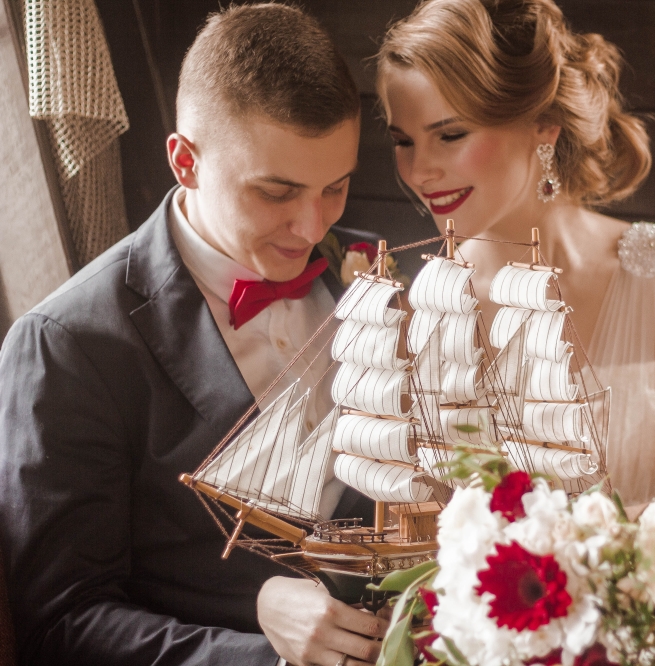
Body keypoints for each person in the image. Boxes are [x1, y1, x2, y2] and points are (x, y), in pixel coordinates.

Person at [0, 5, 388, 665]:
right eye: (276, 192)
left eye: (335, 187)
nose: (311, 224)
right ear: (185, 161)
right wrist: (263, 648)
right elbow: (62, 624)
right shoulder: (67, 346)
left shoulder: (367, 269)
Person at [375, 0, 655, 549]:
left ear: (543, 125)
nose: (419, 170)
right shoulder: (422, 311)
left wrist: (594, 539)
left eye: (449, 134)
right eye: (403, 141)